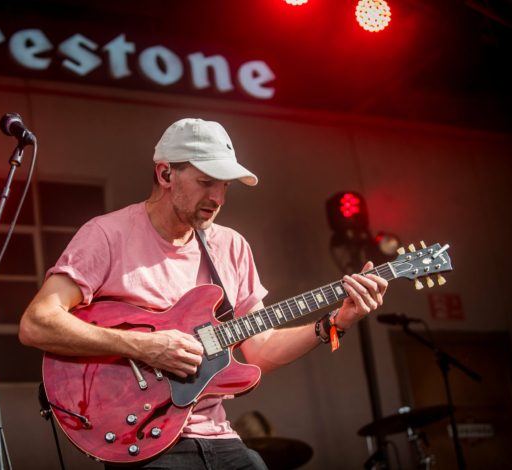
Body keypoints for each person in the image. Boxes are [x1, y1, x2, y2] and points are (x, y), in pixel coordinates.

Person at [19, 118, 388, 469]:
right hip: (143, 436)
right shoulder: (106, 234)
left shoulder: (231, 246)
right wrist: (143, 347)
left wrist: (337, 322)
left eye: (225, 185)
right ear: (165, 174)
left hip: (220, 437)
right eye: (206, 181)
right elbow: (37, 324)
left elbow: (261, 350)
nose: (218, 197)